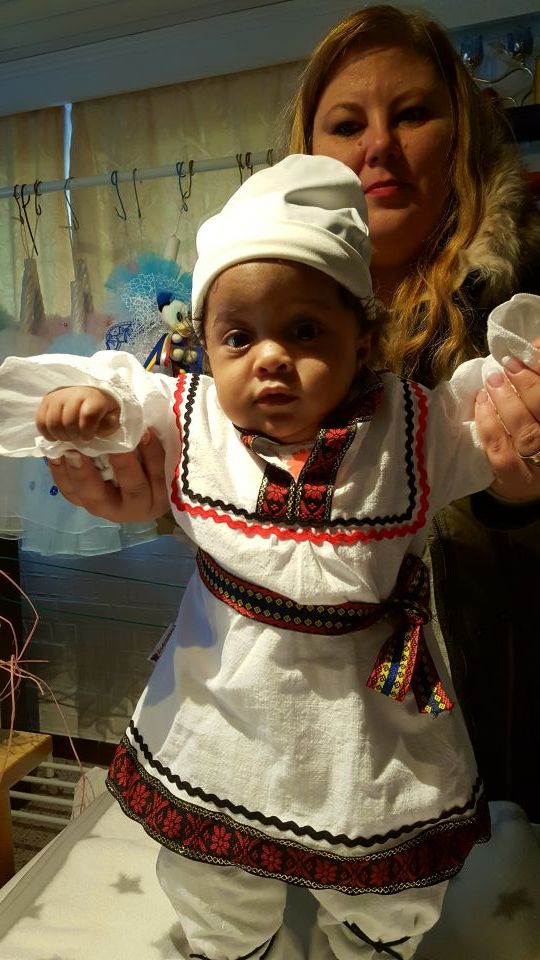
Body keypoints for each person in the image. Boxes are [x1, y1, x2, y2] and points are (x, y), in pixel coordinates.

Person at [1, 154, 539, 959]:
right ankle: (233, 949)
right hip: (221, 713)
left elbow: (496, 421)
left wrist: (521, 408)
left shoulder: (415, 427)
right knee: (213, 877)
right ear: (207, 347)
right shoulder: (188, 417)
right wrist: (86, 406)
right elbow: (115, 405)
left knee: (384, 889)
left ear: (362, 339)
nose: (270, 356)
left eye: (305, 330)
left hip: (367, 729)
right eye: (238, 336)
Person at [44, 4, 540, 821]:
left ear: (463, 134)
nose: (379, 146)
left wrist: (520, 497)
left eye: (412, 113)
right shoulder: (233, 317)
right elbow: (190, 454)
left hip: (486, 728)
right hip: (253, 732)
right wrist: (139, 487)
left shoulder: (515, 324)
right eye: (347, 123)